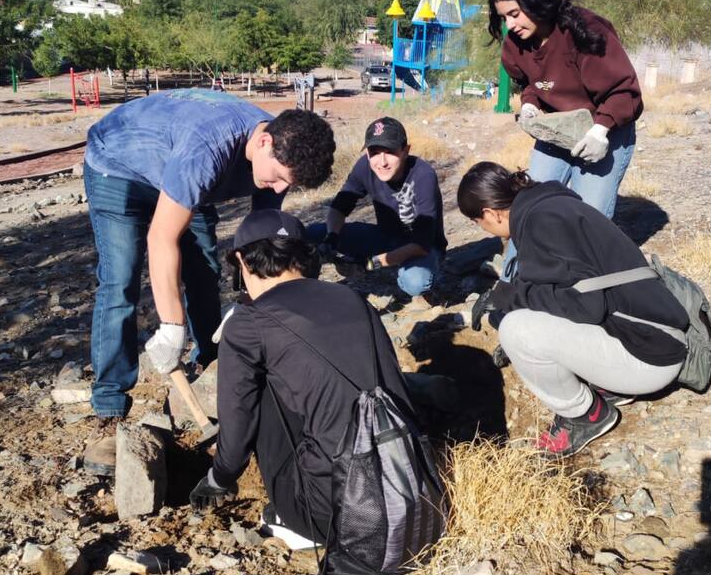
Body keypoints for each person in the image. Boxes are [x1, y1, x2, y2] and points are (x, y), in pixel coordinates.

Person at [81, 89, 336, 476]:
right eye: (280, 179)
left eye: (291, 186)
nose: (281, 190)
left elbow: (261, 240)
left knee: (205, 269)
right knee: (121, 280)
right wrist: (170, 327)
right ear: (263, 142)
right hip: (120, 167)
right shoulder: (209, 149)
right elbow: (161, 238)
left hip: (177, 169)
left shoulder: (279, 149)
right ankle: (110, 407)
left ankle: (211, 367)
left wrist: (251, 302)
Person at [188, 209, 416, 550]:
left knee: (259, 389)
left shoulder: (250, 322)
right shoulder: (353, 300)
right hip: (408, 489)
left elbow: (238, 417)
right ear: (304, 255)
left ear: (241, 261)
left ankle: (293, 518)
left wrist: (218, 477)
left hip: (336, 512)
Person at [458, 162, 687, 458]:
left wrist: (512, 300)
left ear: (489, 213)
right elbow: (562, 285)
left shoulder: (540, 224)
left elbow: (583, 305)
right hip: (656, 334)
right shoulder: (549, 206)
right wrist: (511, 294)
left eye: (478, 222)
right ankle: (611, 384)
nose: (485, 229)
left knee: (516, 329)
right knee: (524, 315)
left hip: (650, 357)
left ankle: (585, 415)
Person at [489, 0, 643, 221]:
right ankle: (517, 263)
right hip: (556, 128)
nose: (510, 25)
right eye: (504, 17)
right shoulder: (516, 43)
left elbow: (625, 92)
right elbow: (530, 83)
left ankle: (592, 260)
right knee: (530, 207)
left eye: (514, 14)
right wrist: (529, 105)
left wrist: (601, 130)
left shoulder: (585, 30)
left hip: (605, 129)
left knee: (588, 218)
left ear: (534, 0)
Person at [307, 116, 446, 301]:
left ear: (406, 151)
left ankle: (424, 276)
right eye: (374, 152)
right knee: (309, 234)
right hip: (385, 237)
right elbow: (339, 207)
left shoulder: (423, 175)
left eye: (390, 152)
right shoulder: (364, 167)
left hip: (424, 247)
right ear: (367, 154)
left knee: (415, 281)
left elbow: (421, 245)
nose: (382, 162)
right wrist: (331, 239)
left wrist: (371, 264)